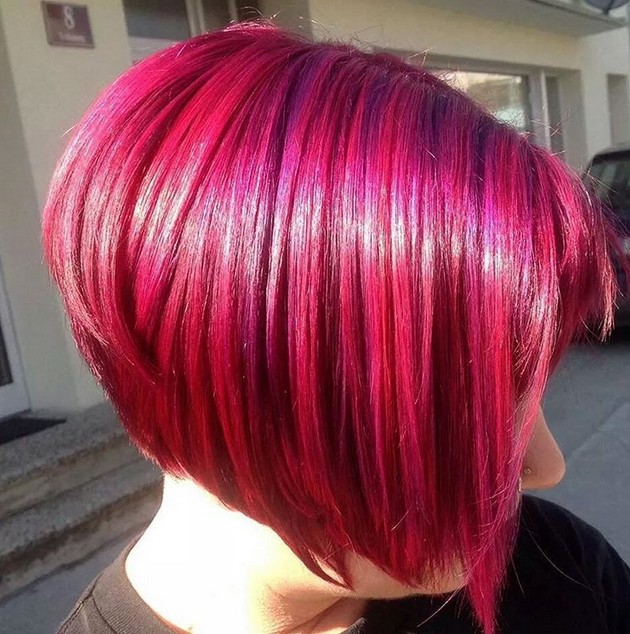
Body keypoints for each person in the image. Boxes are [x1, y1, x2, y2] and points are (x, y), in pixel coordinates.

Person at [42, 20, 630, 634]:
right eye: (459, 401)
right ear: (245, 378)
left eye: (524, 390)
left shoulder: (557, 572)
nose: (547, 465)